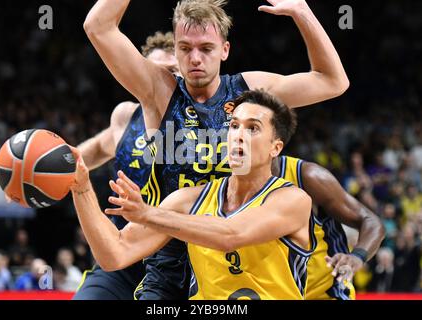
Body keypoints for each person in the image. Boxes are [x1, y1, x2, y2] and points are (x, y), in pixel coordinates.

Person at [83, 0, 349, 299]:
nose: (195, 58)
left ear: (224, 50)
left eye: (206, 49)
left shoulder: (250, 92)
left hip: (236, 256)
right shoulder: (159, 90)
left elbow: (332, 81)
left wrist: (302, 11)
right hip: (170, 253)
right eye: (185, 49)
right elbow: (98, 27)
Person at [72, 89, 315, 299]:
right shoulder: (188, 200)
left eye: (252, 128)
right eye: (233, 125)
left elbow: (231, 234)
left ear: (276, 147)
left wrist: (147, 214)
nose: (238, 135)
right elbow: (115, 253)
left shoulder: (292, 200)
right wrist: (81, 188)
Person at [74, 31, 179, 300]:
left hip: (178, 260)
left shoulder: (201, 124)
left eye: (175, 71)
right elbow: (98, 148)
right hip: (124, 253)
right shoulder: (125, 115)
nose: (168, 79)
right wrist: (42, 171)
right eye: (159, 72)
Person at [271, 155, 385, 299]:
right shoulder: (234, 180)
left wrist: (357, 256)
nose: (239, 138)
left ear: (276, 145)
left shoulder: (308, 176)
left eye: (252, 130)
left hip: (324, 294)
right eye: (234, 130)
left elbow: (371, 221)